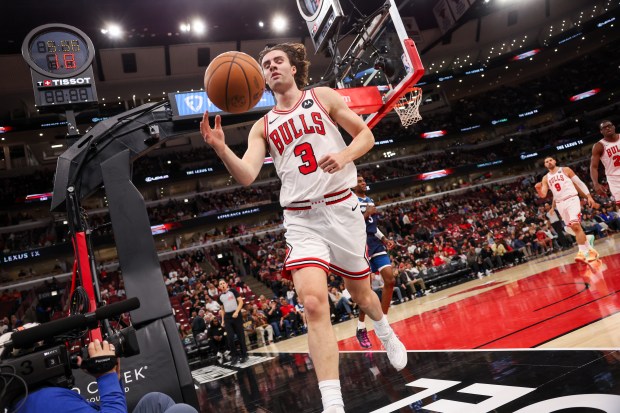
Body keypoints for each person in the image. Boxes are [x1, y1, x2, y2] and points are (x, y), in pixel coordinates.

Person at [200, 42, 407, 413]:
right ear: (261, 77)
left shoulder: (323, 96)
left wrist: (343, 155)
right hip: (300, 219)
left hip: (341, 210)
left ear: (294, 67)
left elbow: (366, 135)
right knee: (313, 304)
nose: (272, 67)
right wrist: (221, 149)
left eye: (278, 60)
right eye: (265, 64)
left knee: (362, 295)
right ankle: (333, 403)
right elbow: (247, 174)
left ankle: (384, 329)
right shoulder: (261, 126)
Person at [15, 339, 198, 413]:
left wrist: (113, 377)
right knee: (182, 411)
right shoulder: (46, 399)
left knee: (155, 401)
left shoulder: (31, 397)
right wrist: (105, 376)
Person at [351, 174, 397, 349]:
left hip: (375, 243)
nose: (363, 183)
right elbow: (352, 225)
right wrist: (366, 213)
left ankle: (383, 322)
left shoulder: (369, 199)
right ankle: (361, 328)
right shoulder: (351, 200)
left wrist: (384, 238)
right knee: (366, 290)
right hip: (361, 244)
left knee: (390, 279)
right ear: (353, 186)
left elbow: (372, 225)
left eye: (363, 181)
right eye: (359, 181)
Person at [535, 156, 599, 263]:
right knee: (571, 229)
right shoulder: (545, 178)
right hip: (561, 204)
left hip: (572, 199)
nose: (549, 162)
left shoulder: (565, 170)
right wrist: (538, 189)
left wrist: (589, 196)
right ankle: (589, 246)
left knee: (575, 225)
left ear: (555, 161)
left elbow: (579, 183)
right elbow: (543, 195)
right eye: (546, 162)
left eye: (550, 160)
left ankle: (582, 252)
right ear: (545, 165)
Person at [217, 279, 248, 364]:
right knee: (230, 337)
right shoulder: (219, 297)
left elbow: (241, 302)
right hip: (227, 317)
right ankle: (235, 356)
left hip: (236, 315)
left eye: (223, 283)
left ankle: (244, 355)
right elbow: (222, 309)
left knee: (240, 336)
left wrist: (237, 312)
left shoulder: (233, 291)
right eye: (220, 284)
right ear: (219, 287)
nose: (222, 285)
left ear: (226, 284)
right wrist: (223, 320)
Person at [590, 120, 620, 207]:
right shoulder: (599, 146)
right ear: (601, 131)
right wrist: (595, 183)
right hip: (615, 179)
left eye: (609, 126)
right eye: (604, 128)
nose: (607, 128)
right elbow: (593, 167)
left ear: (614, 127)